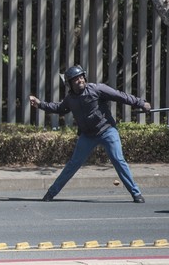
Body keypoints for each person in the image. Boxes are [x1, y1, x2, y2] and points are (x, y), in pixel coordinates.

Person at [29, 65, 151, 203]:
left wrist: (141, 103)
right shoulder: (70, 99)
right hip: (87, 136)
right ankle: (50, 194)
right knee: (73, 164)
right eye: (75, 79)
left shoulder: (97, 89)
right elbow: (59, 108)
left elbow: (119, 96)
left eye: (81, 77)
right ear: (69, 84)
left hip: (107, 130)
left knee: (118, 160)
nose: (80, 80)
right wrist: (40, 104)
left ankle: (136, 194)